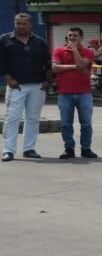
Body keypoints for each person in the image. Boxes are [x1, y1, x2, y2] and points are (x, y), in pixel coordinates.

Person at [2, 14, 52, 161]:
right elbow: (1, 62)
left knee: (33, 118)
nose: (21, 26)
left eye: (24, 24)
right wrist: (8, 78)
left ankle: (29, 149)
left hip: (38, 86)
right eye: (18, 23)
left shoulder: (39, 42)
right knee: (12, 118)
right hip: (17, 86)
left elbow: (47, 62)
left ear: (30, 25)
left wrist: (48, 81)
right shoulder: (5, 40)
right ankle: (8, 150)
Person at [51, 28, 97, 159]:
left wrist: (75, 51)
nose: (71, 38)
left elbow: (82, 65)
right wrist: (73, 67)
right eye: (69, 36)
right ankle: (69, 148)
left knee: (86, 124)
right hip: (65, 93)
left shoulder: (88, 51)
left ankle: (86, 148)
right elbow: (55, 68)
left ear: (81, 37)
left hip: (84, 93)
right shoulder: (59, 50)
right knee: (66, 124)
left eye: (75, 36)